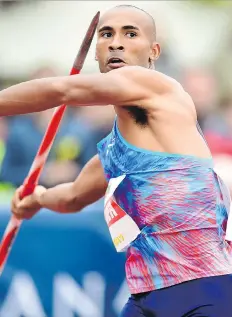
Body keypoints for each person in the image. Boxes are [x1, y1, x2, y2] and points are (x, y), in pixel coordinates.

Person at [5, 4, 232, 317]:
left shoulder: (159, 87)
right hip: (146, 298)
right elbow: (72, 196)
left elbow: (59, 89)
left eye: (130, 34)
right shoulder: (114, 149)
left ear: (153, 52)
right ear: (97, 53)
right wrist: (38, 198)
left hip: (203, 290)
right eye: (106, 34)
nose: (116, 42)